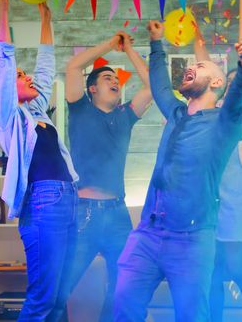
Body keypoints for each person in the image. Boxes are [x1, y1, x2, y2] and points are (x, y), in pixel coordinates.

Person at [113, 18, 242, 321]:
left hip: (191, 241)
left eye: (202, 67)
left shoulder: (225, 123)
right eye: (192, 65)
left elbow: (236, 100)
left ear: (217, 83)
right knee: (124, 305)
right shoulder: (176, 112)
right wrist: (156, 43)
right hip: (147, 234)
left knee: (192, 315)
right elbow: (159, 86)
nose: (192, 67)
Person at [0, 0, 78, 321]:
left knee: (60, 298)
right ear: (5, 89)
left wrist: (46, 19)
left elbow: (45, 69)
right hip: (43, 205)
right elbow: (3, 69)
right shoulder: (4, 117)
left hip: (67, 201)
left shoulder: (35, 111)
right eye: (21, 75)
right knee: (42, 299)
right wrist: (5, 11)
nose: (29, 77)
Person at [60, 31, 152, 322]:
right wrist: (110, 45)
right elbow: (73, 67)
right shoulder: (80, 110)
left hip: (117, 215)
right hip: (84, 213)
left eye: (116, 79)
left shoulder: (125, 116)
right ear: (91, 90)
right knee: (61, 287)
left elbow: (153, 86)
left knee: (124, 288)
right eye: (106, 78)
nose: (115, 81)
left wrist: (129, 52)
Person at [192, 11, 242, 322]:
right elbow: (205, 67)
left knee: (237, 267)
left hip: (238, 201)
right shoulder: (212, 112)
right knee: (210, 270)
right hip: (211, 202)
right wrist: (197, 33)